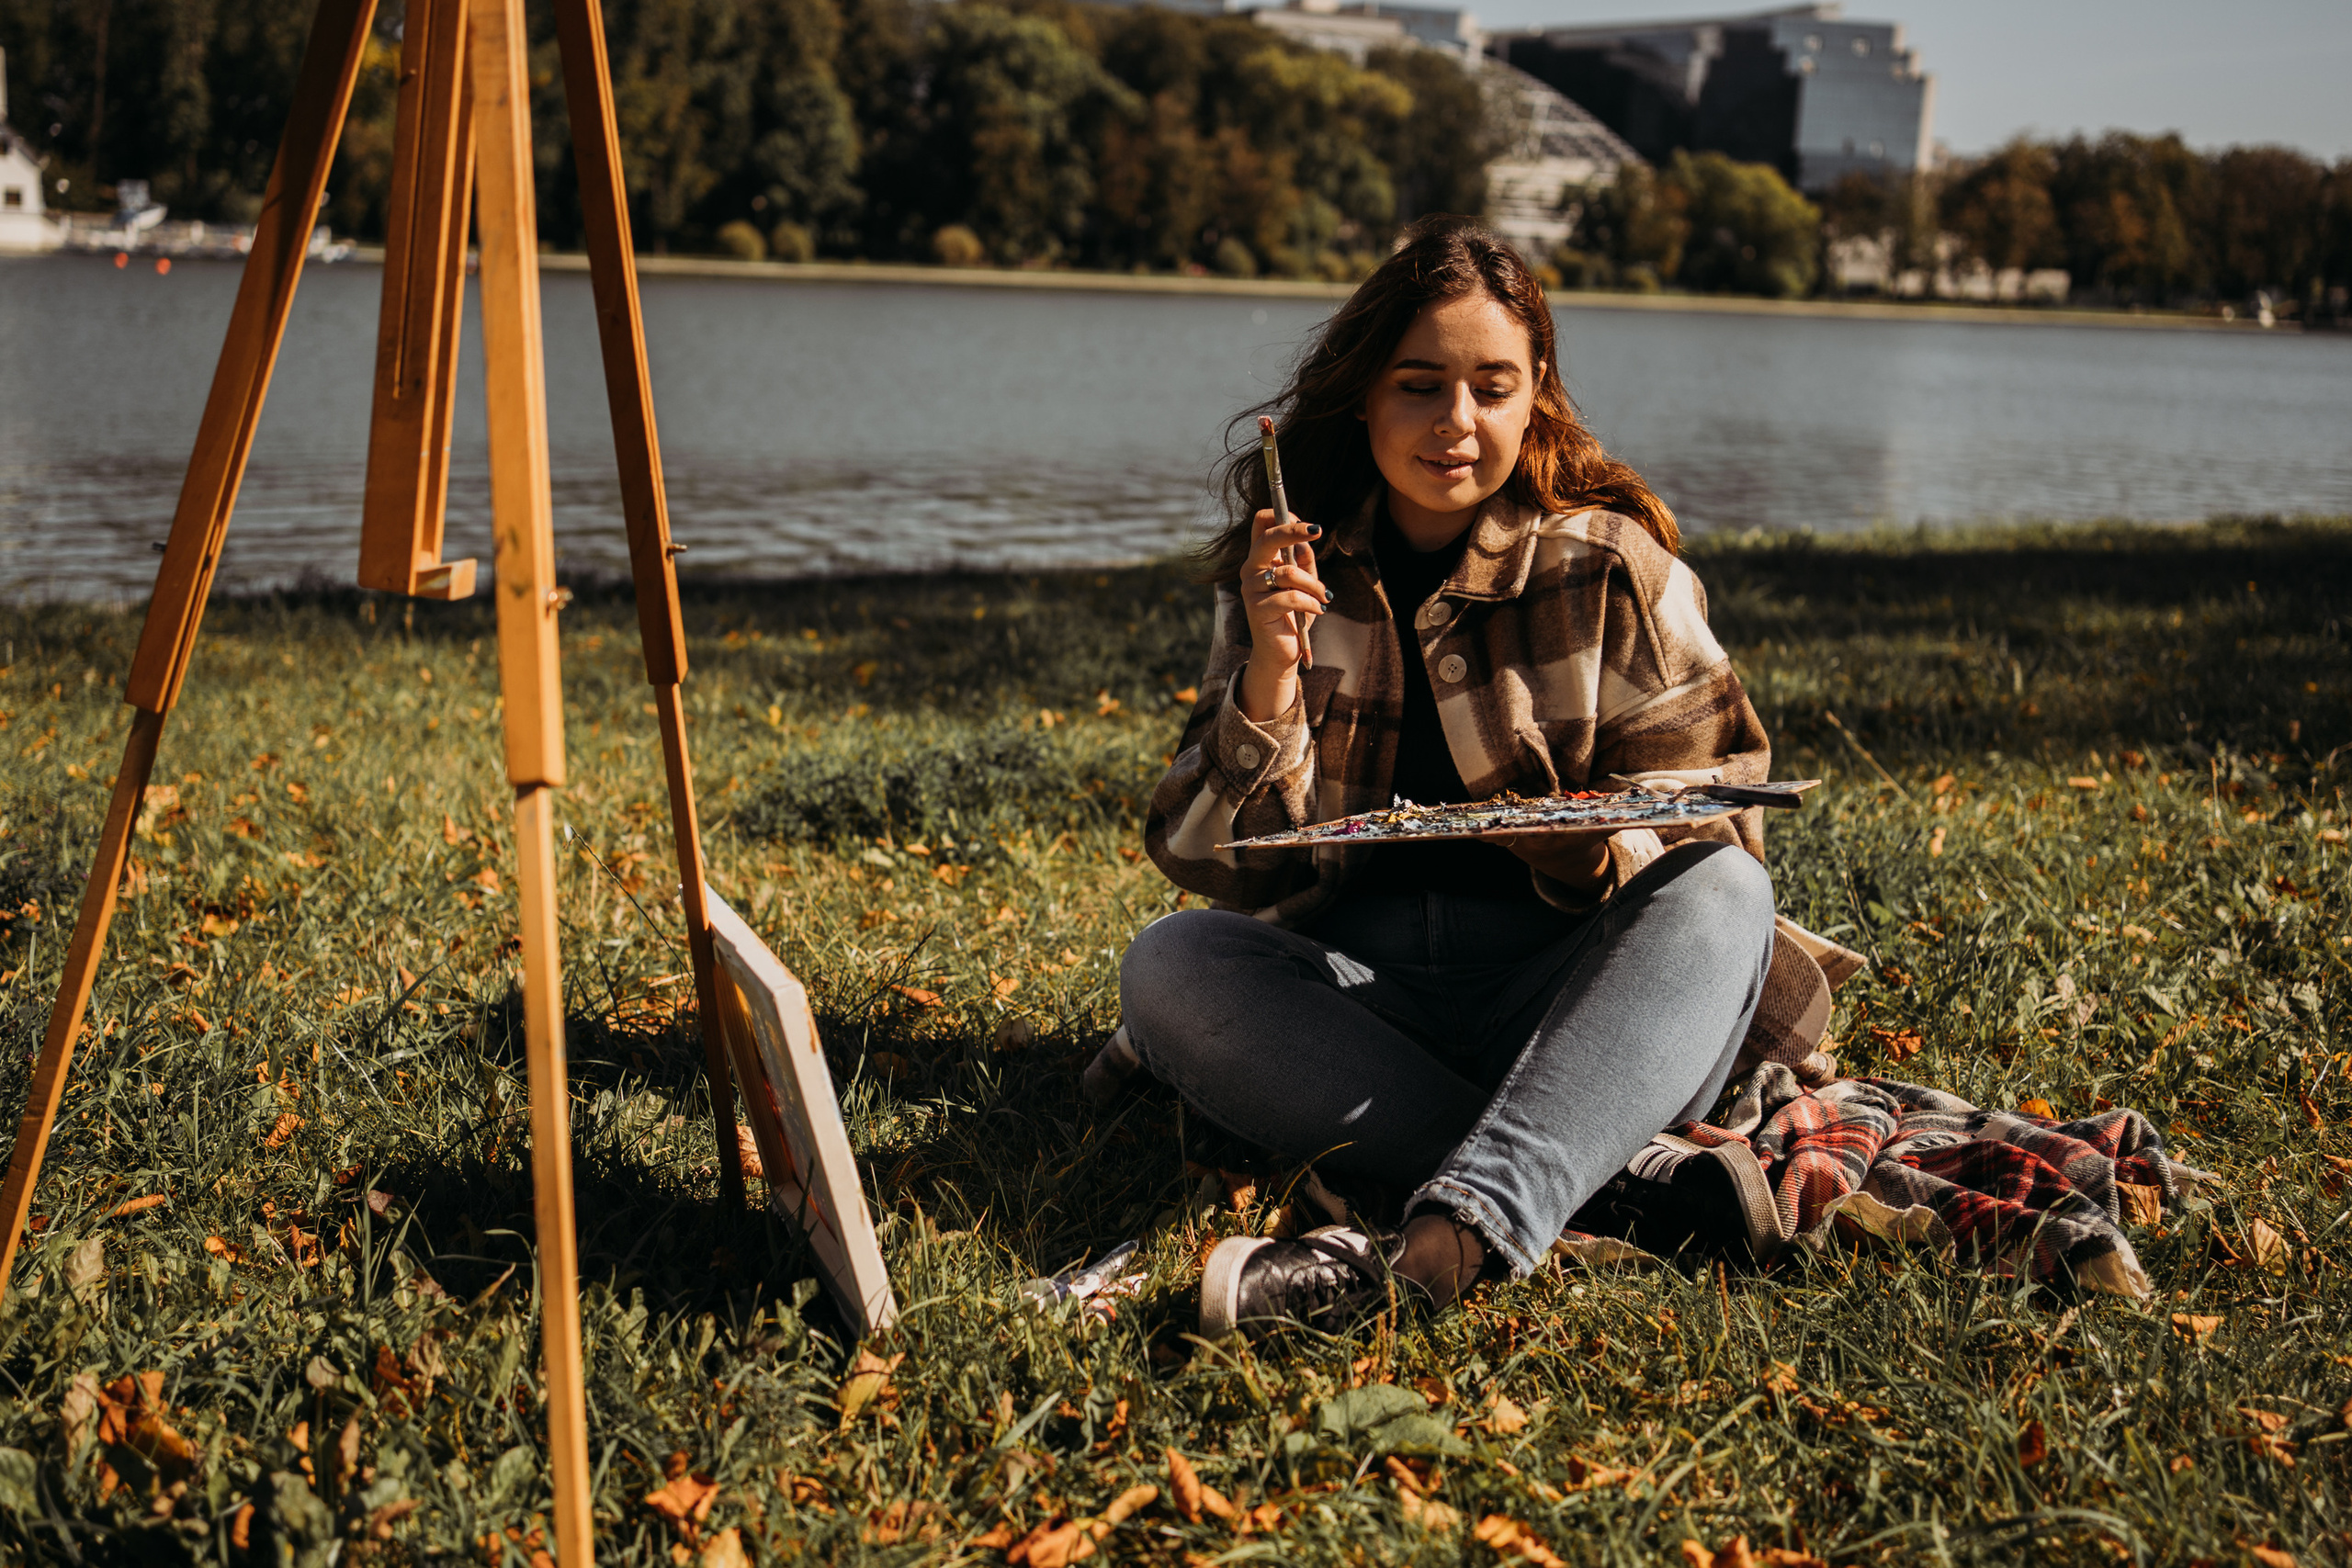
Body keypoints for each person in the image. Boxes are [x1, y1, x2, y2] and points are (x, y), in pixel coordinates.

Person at [1115, 215, 1815, 1341]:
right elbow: (1207, 865)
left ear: (1535, 392)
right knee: (1168, 964)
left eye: (1492, 387)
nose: (1456, 424)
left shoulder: (1612, 568)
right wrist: (1269, 674)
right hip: (1368, 1012)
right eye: (1419, 385)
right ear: (1362, 397)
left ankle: (1438, 1249)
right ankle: (1618, 1189)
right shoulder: (1293, 580)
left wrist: (1593, 853)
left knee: (1726, 900)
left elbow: (1722, 827)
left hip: (1586, 1009)